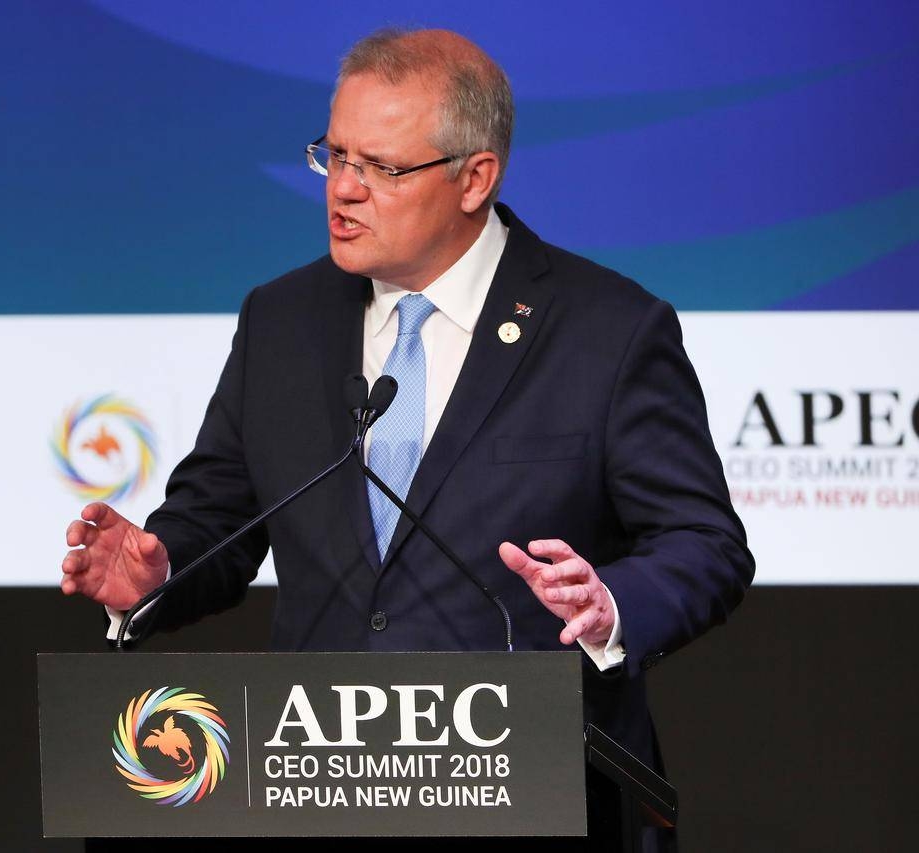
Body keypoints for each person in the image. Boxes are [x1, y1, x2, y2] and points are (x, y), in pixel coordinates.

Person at [62, 28, 752, 852]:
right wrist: (159, 565)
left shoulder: (607, 330)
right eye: (334, 155)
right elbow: (218, 510)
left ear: (475, 179)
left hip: (537, 804)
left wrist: (610, 604)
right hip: (316, 798)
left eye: (381, 167)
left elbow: (704, 542)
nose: (342, 191)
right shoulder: (281, 321)